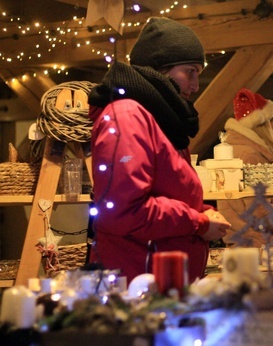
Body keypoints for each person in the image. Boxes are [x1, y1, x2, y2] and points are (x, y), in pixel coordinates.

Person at [87, 17, 231, 283]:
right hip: (137, 287)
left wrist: (202, 213)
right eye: (190, 71)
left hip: (157, 284)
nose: (196, 85)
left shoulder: (161, 121)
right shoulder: (128, 116)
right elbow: (123, 211)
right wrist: (198, 223)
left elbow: (166, 194)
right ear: (160, 69)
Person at [217, 88, 273, 247]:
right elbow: (260, 211)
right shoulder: (252, 156)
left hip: (242, 243)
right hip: (258, 245)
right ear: (263, 124)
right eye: (271, 121)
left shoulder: (233, 150)